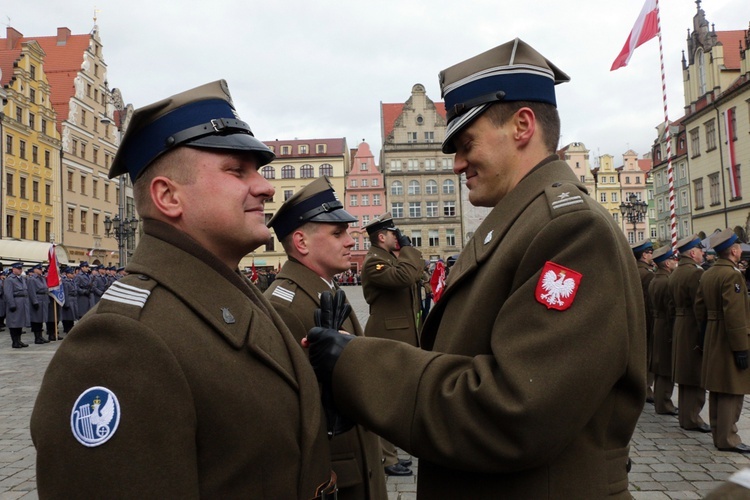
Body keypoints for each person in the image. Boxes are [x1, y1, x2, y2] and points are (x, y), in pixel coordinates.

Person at [305, 38, 646, 497]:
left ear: (522, 126)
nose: (457, 164)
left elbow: (515, 409)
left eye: (467, 144)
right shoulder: (524, 222)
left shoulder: (571, 231)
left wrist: (357, 365)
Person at [30, 80, 335, 498]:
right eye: (236, 171)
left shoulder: (230, 297)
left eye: (258, 172)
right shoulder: (122, 346)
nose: (264, 188)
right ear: (168, 196)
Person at [265, 176, 387, 500]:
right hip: (334, 479)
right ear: (302, 243)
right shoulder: (285, 306)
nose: (351, 240)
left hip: (357, 465)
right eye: (338, 233)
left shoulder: (323, 289)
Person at [361, 211, 424, 477]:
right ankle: (386, 459)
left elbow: (415, 272)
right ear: (382, 236)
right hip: (387, 337)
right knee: (386, 399)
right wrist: (408, 247)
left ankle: (392, 453)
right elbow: (405, 277)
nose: (398, 239)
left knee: (399, 397)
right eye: (394, 235)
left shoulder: (389, 258)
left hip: (402, 336)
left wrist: (406, 251)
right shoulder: (373, 263)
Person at [694, 229, 750, 453]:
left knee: (718, 387)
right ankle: (728, 438)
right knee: (731, 389)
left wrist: (706, 331)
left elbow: (699, 308)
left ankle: (719, 434)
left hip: (713, 332)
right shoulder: (733, 275)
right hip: (729, 336)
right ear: (734, 251)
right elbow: (735, 314)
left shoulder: (707, 273)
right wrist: (740, 348)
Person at [669, 234, 711, 433]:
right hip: (692, 326)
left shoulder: (676, 272)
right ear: (693, 253)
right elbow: (699, 306)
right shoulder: (695, 273)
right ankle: (693, 417)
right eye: (700, 250)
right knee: (695, 373)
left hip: (679, 324)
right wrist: (704, 331)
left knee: (684, 374)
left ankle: (686, 417)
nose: (703, 254)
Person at [648, 245, 679, 416]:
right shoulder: (667, 281)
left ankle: (661, 402)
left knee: (659, 365)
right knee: (666, 366)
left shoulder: (654, 279)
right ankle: (664, 403)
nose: (675, 262)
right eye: (673, 260)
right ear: (666, 263)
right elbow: (670, 308)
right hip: (664, 325)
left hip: (656, 323)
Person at [632, 239, 656, 403]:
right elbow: (649, 300)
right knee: (648, 354)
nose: (651, 255)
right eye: (649, 252)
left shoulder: (633, 271)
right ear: (643, 255)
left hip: (635, 316)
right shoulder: (647, 274)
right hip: (646, 317)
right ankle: (646, 388)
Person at [4, 262, 30, 348]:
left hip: (22, 303)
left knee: (20, 323)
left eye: (21, 269)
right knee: (14, 323)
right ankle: (14, 342)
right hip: (15, 302)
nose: (20, 270)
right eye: (18, 269)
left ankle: (19, 340)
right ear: (13, 269)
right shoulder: (9, 279)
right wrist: (12, 304)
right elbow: (8, 293)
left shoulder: (22, 278)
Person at [26, 264, 50, 344]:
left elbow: (46, 289)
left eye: (41, 269)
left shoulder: (42, 278)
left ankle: (40, 336)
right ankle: (37, 338)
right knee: (36, 320)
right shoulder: (32, 279)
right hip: (38, 300)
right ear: (35, 270)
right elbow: (32, 292)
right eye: (39, 269)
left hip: (44, 300)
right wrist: (35, 302)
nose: (41, 270)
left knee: (41, 320)